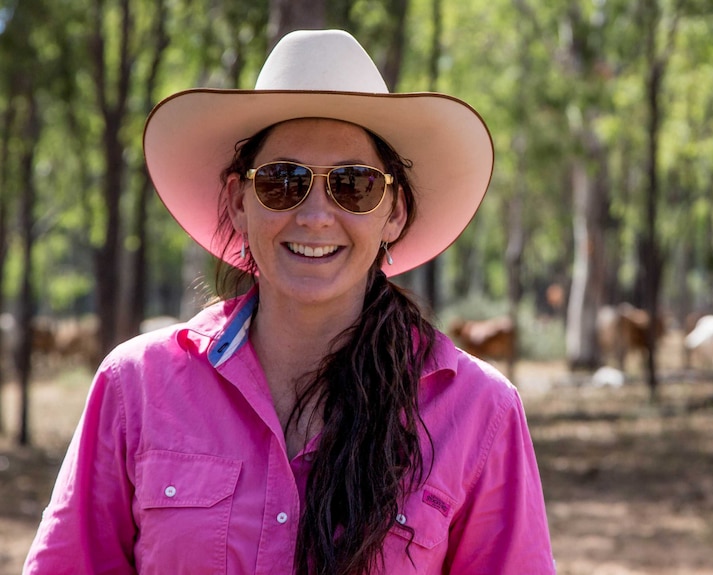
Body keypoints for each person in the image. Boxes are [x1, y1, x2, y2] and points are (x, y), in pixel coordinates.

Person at [24, 29, 555, 575]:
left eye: (353, 184)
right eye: (282, 182)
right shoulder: (135, 386)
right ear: (237, 201)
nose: (316, 215)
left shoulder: (478, 410)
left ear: (393, 211)